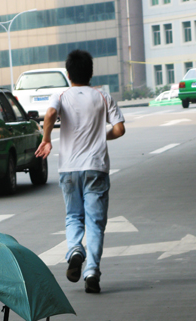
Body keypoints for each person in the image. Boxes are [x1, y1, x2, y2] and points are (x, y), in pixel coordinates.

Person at [36, 50, 125, 293]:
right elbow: (119, 129)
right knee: (95, 222)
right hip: (96, 167)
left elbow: (52, 113)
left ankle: (75, 249)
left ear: (68, 74)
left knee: (74, 216)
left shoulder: (61, 94)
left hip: (69, 168)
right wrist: (100, 137)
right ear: (91, 73)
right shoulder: (103, 96)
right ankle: (92, 271)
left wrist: (46, 138)